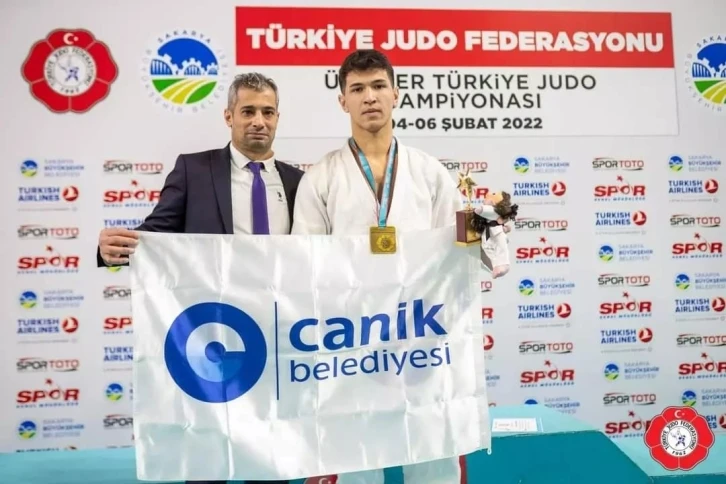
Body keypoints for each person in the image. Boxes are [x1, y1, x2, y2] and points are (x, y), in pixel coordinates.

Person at [291, 49, 512, 484]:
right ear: (342, 101)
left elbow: (459, 251)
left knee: (433, 452)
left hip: (421, 337)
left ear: (396, 94)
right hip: (350, 340)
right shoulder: (320, 178)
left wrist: (486, 225)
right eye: (357, 89)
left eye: (378, 86)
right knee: (353, 459)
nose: (369, 97)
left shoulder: (430, 173)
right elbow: (305, 264)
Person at [97, 72, 301, 484]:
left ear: (278, 118)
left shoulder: (299, 182)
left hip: (277, 337)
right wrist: (110, 250)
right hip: (212, 336)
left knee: (270, 462)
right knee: (208, 461)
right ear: (229, 116)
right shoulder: (193, 169)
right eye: (247, 111)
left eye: (267, 112)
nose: (258, 121)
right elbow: (157, 235)